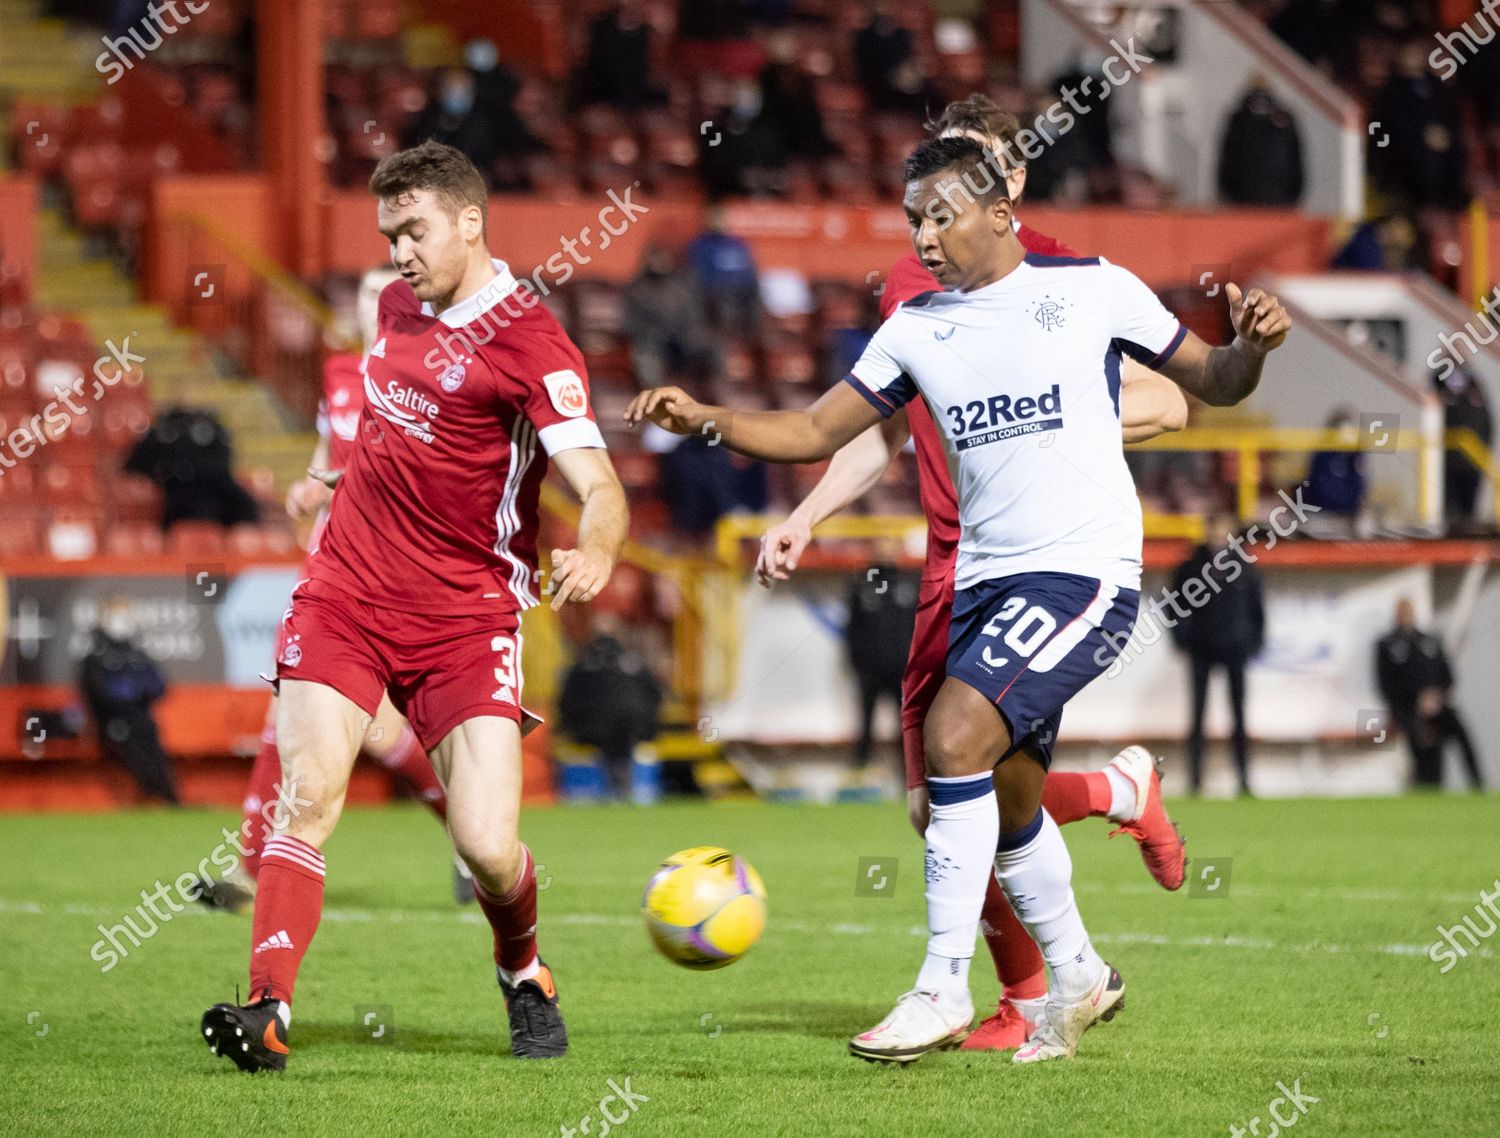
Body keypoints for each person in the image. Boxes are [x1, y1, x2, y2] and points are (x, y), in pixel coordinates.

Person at [629, 136, 1289, 1063]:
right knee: (1006, 794)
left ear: (999, 213)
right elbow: (817, 428)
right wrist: (708, 417)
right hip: (980, 580)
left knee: (953, 740)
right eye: (914, 221)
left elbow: (1211, 384)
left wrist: (1250, 347)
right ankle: (1080, 972)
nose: (926, 237)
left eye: (942, 215)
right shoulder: (915, 327)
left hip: (1080, 572)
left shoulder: (1093, 287)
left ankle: (940, 985)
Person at [756, 94, 1191, 1053]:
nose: (939, 212)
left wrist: (1043, 418)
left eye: (988, 165)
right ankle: (1090, 890)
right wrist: (805, 514)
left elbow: (1173, 403)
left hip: (1040, 563)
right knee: (971, 793)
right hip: (953, 567)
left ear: (1011, 180)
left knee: (948, 784)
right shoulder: (911, 292)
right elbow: (877, 432)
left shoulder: (1063, 279)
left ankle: (1007, 992)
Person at [201, 141, 629, 1072]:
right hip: (346, 591)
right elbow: (399, 436)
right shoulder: (398, 306)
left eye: (415, 230)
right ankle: (267, 1008)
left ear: (472, 223)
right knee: (306, 797)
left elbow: (599, 483)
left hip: (467, 618)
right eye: (389, 231)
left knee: (485, 844)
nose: (398, 251)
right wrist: (329, 478)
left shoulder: (532, 346)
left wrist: (595, 547)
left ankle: (525, 971)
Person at [196, 267, 461, 915]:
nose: (377, 305)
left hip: (399, 572)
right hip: (330, 569)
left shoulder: (428, 379)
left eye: (387, 293)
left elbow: (414, 469)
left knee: (385, 728)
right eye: (366, 294)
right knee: (286, 711)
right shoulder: (342, 373)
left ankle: (470, 832)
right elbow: (329, 451)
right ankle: (252, 866)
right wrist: (313, 484)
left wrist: (342, 479)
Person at [1170, 512, 1266, 796]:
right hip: (1201, 647)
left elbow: (1257, 610)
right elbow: (1175, 608)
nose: (1218, 535)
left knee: (1238, 715)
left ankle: (1243, 778)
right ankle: (1195, 780)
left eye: (1224, 529)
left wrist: (1252, 642)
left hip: (1235, 648)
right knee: (1197, 716)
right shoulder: (1190, 566)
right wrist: (1183, 640)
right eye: (1214, 528)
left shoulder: (1246, 568)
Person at [79, 597, 179, 805]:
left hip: (142, 719)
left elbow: (159, 686)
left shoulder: (137, 654)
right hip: (113, 722)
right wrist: (130, 692)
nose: (121, 621)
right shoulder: (96, 657)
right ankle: (153, 796)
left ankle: (169, 799)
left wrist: (137, 691)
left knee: (154, 749)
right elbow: (100, 694)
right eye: (116, 615)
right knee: (135, 750)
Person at [1376, 597, 1484, 789]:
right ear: (1396, 615)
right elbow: (1386, 683)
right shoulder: (1386, 644)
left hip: (1437, 706)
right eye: (1403, 612)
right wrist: (1416, 700)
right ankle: (1428, 787)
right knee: (1426, 752)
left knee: (1461, 734)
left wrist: (1436, 696)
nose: (1407, 616)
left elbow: (1447, 675)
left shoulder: (1429, 640)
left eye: (1410, 611)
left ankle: (1477, 786)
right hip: (1408, 710)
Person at [556, 625, 664, 799]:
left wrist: (569, 725)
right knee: (621, 750)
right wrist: (650, 721)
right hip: (630, 722)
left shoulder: (583, 665)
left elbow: (567, 698)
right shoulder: (633, 662)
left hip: (597, 724)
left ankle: (614, 789)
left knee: (614, 749)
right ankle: (622, 788)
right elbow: (655, 693)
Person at [844, 555, 920, 771]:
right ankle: (861, 771)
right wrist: (859, 666)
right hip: (871, 670)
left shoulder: (910, 585)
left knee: (906, 725)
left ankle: (908, 774)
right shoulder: (862, 587)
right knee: (865, 724)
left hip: (901, 670)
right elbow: (852, 631)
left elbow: (917, 629)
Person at [1217, 79, 1304, 206]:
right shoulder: (1238, 120)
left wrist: (1292, 197)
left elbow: (1295, 161)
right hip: (1242, 202)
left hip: (1279, 202)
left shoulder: (1284, 119)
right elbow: (1228, 159)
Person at [1432, 364, 1493, 526]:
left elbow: (1487, 422)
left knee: (1469, 511)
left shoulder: (1474, 383)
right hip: (1450, 460)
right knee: (1450, 509)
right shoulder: (1442, 381)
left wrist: (1486, 450)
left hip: (1473, 458)